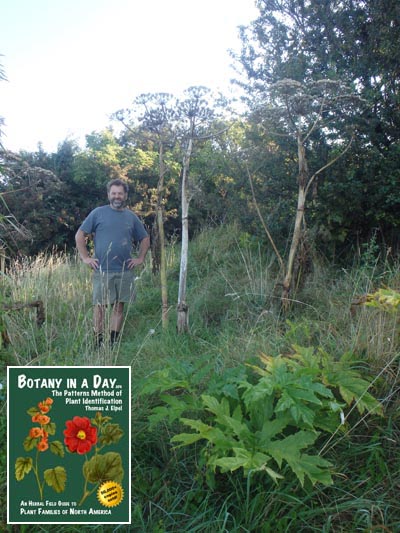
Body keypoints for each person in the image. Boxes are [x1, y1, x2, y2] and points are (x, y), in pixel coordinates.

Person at [75, 178, 150, 347]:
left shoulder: (131, 217)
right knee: (100, 307)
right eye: (114, 193)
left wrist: (140, 258)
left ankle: (113, 342)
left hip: (124, 270)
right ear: (109, 194)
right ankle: (97, 341)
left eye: (120, 194)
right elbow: (80, 235)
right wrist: (86, 257)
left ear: (125, 196)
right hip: (102, 270)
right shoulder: (98, 213)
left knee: (118, 307)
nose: (117, 196)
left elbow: (144, 238)